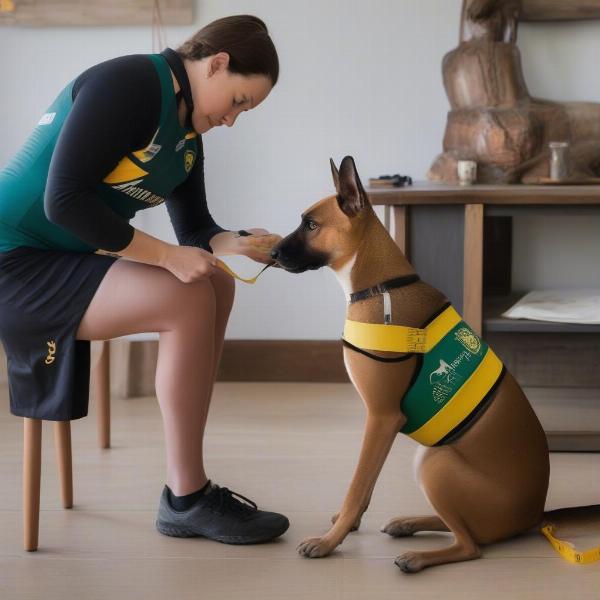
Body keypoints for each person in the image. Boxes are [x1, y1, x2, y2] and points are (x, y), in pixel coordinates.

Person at [0, 15, 289, 544]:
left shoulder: (185, 131)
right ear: (217, 63)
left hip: (62, 259)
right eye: (240, 100)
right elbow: (62, 201)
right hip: (13, 262)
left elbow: (196, 230)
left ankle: (190, 487)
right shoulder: (130, 83)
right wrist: (166, 258)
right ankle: (186, 496)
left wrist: (236, 241)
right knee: (183, 296)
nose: (234, 119)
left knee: (217, 282)